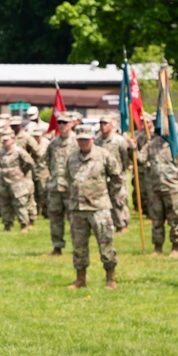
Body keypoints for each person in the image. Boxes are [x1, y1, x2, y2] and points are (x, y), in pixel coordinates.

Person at [64, 125, 124, 290]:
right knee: (79, 246)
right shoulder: (72, 157)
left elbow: (117, 178)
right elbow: (68, 178)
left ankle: (111, 279)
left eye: (86, 139)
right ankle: (80, 279)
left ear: (92, 139)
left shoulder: (104, 155)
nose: (83, 142)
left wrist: (109, 196)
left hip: (99, 208)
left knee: (106, 244)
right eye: (80, 139)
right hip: (78, 209)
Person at [138, 127, 178, 259]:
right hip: (155, 187)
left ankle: (176, 247)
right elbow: (140, 159)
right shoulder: (152, 144)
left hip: (173, 187)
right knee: (157, 219)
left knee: (175, 219)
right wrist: (132, 148)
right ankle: (157, 247)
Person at [45, 113, 76, 255]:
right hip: (55, 186)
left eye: (65, 122)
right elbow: (48, 160)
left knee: (75, 219)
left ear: (72, 124)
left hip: (71, 188)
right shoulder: (53, 143)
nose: (62, 125)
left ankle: (78, 246)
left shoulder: (77, 142)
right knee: (55, 218)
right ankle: (57, 246)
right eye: (60, 123)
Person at [95, 116, 131, 234]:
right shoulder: (97, 140)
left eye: (105, 123)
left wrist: (122, 171)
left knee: (119, 200)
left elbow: (125, 157)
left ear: (111, 125)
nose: (103, 126)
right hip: (102, 176)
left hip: (117, 175)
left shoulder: (119, 140)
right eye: (101, 123)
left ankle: (122, 224)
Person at [0, 130, 33, 232]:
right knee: (4, 204)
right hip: (3, 182)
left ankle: (24, 225)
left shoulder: (19, 151)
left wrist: (22, 172)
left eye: (6, 140)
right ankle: (7, 225)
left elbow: (29, 162)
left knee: (19, 204)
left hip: (17, 182)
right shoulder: (2, 152)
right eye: (3, 140)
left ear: (13, 140)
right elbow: (0, 164)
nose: (4, 142)